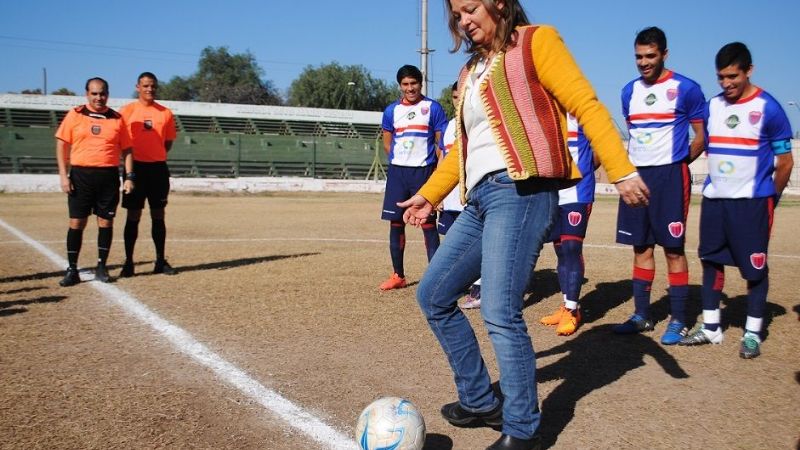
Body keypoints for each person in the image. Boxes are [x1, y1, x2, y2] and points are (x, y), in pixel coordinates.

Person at [399, 1, 648, 448]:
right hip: (479, 199)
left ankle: (522, 429)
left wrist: (621, 168)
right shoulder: (471, 70)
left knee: (498, 310)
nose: (463, 20)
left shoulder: (536, 41)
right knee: (433, 294)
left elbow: (586, 104)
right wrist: (428, 194)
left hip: (524, 190)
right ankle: (478, 400)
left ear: (498, 2)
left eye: (470, 8)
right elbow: (463, 150)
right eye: (456, 15)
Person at [679, 42, 794, 359]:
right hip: (716, 201)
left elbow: (785, 162)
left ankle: (754, 332)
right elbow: (699, 140)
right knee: (711, 260)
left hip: (752, 204)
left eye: (733, 76)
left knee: (754, 270)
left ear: (749, 71)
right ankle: (712, 328)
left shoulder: (769, 108)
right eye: (721, 77)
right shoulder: (713, 106)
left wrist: (771, 198)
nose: (727, 83)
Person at [614, 26, 706, 345]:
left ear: (664, 54)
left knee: (673, 248)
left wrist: (679, 162)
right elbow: (635, 134)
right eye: (638, 56)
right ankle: (642, 315)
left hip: (671, 176)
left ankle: (680, 319)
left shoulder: (687, 88)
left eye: (650, 56)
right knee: (641, 246)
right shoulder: (628, 92)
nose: (643, 62)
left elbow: (701, 136)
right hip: (638, 176)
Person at [55, 77, 134, 286]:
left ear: (107, 94)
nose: (99, 97)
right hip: (81, 175)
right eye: (94, 93)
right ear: (87, 94)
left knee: (105, 222)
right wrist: (64, 176)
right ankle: (72, 269)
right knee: (76, 222)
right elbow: (62, 145)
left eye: (102, 93)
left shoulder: (117, 118)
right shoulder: (75, 114)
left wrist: (129, 177)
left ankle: (101, 266)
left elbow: (126, 150)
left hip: (108, 177)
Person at [379, 64, 448, 290]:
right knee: (396, 223)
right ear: (400, 86)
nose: (410, 88)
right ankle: (398, 275)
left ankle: (435, 278)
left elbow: (440, 142)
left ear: (421, 83)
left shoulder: (433, 108)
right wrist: (399, 160)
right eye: (405, 84)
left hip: (424, 172)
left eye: (414, 83)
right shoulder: (391, 111)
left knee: (428, 224)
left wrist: (438, 169)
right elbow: (387, 141)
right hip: (398, 173)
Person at [539, 114, 596, 336]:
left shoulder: (581, 112)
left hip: (578, 192)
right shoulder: (547, 110)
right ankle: (567, 305)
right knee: (560, 249)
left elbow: (598, 152)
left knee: (572, 247)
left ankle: (572, 311)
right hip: (554, 192)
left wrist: (584, 175)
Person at [118, 72, 178, 277]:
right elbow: (122, 142)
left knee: (158, 214)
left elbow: (167, 142)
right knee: (133, 214)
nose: (149, 89)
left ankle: (160, 260)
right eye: (145, 86)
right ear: (137, 87)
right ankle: (128, 262)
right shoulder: (126, 112)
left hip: (158, 169)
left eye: (152, 86)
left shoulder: (165, 113)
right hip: (134, 169)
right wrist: (131, 170)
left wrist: (155, 154)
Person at [436, 81, 482, 309]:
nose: (458, 101)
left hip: (471, 194)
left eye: (461, 96)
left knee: (474, 242)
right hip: (451, 197)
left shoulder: (477, 123)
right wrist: (439, 195)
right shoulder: (449, 126)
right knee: (452, 241)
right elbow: (443, 159)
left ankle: (479, 287)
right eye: (454, 97)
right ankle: (458, 283)